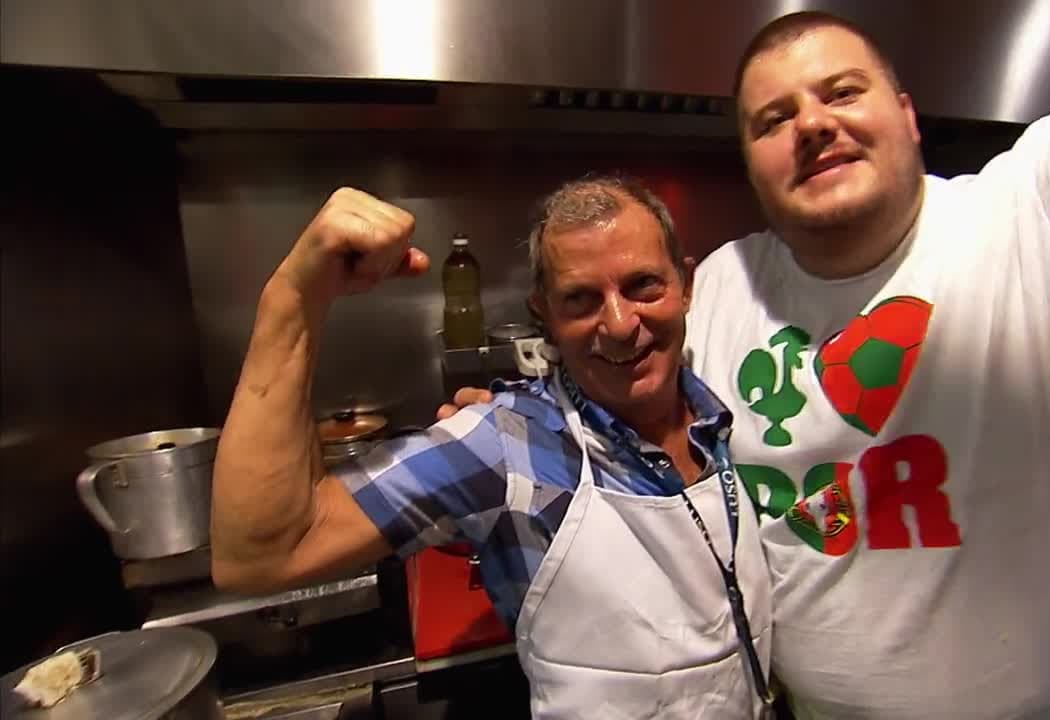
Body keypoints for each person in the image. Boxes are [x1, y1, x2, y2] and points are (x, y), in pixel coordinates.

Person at [443, 2, 1050, 718]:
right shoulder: (722, 287)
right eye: (773, 120)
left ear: (907, 114)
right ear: (751, 163)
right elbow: (614, 393)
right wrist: (517, 426)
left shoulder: (1046, 211)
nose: (811, 124)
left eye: (842, 92)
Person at [208, 177, 775, 719]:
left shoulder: (725, 407)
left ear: (686, 285)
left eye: (643, 285)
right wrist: (294, 297)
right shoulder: (507, 443)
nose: (621, 324)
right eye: (580, 300)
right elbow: (261, 557)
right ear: (544, 315)